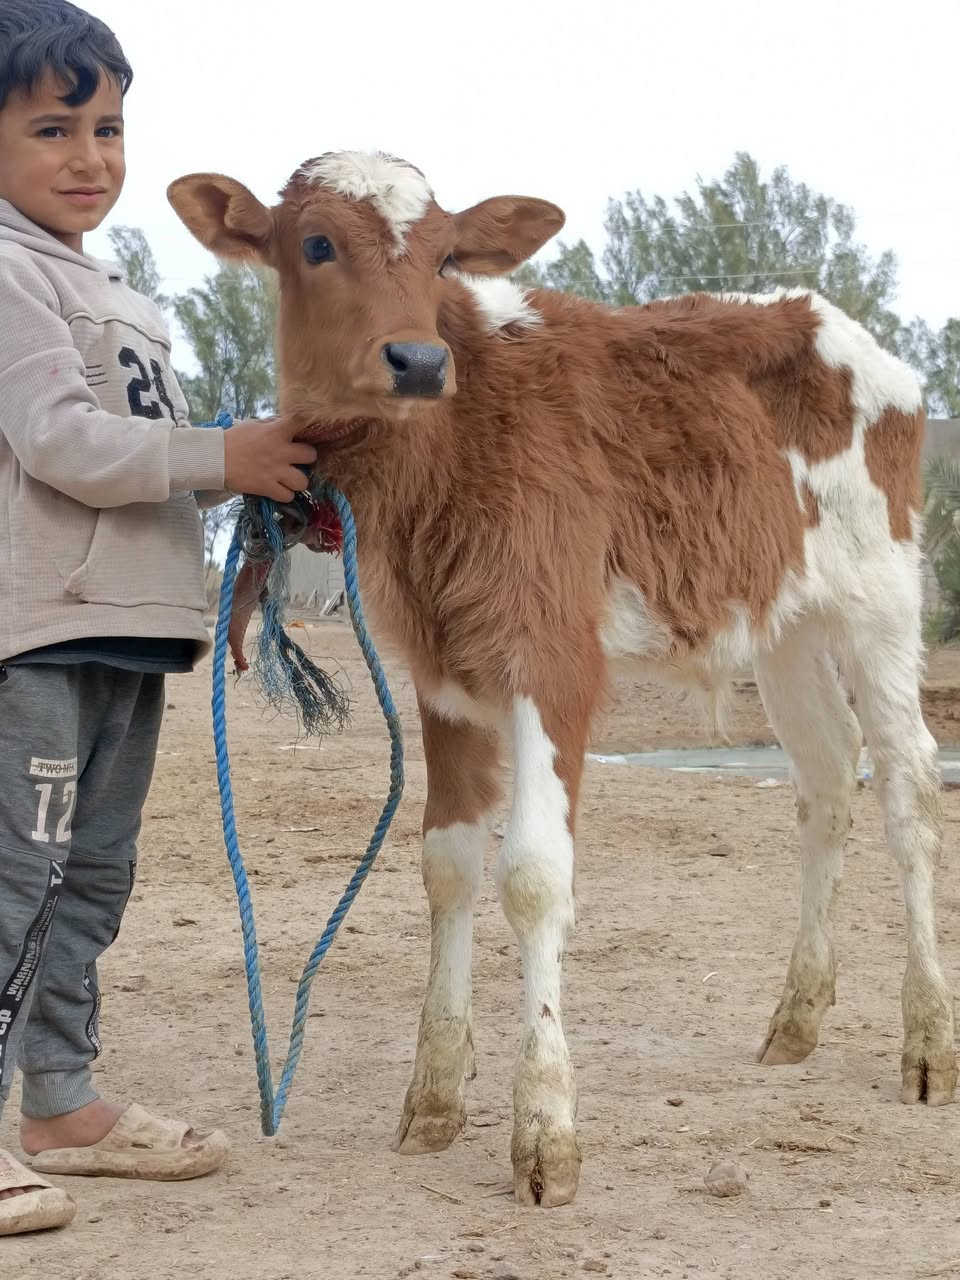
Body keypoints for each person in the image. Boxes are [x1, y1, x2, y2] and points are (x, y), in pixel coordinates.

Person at [0, 1, 316, 1235]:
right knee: (15, 875)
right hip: (35, 626)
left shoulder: (115, 288)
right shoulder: (7, 274)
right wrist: (218, 454)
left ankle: (62, 1100)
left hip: (126, 625)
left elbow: (147, 447)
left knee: (93, 873)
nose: (90, 156)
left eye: (109, 127)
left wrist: (262, 473)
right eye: (51, 128)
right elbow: (61, 441)